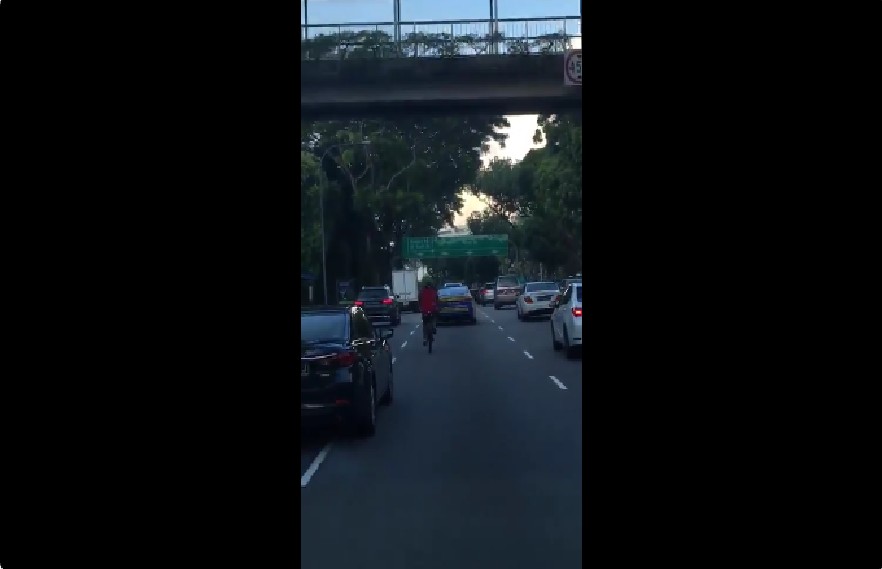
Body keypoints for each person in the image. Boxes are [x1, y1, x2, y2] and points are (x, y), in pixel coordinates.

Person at [418, 281, 439, 346]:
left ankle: (424, 338)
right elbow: (437, 299)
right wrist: (437, 307)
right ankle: (434, 327)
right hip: (432, 309)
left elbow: (419, 300)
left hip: (424, 310)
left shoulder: (422, 291)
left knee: (424, 324)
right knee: (434, 317)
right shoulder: (434, 291)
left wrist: (420, 307)